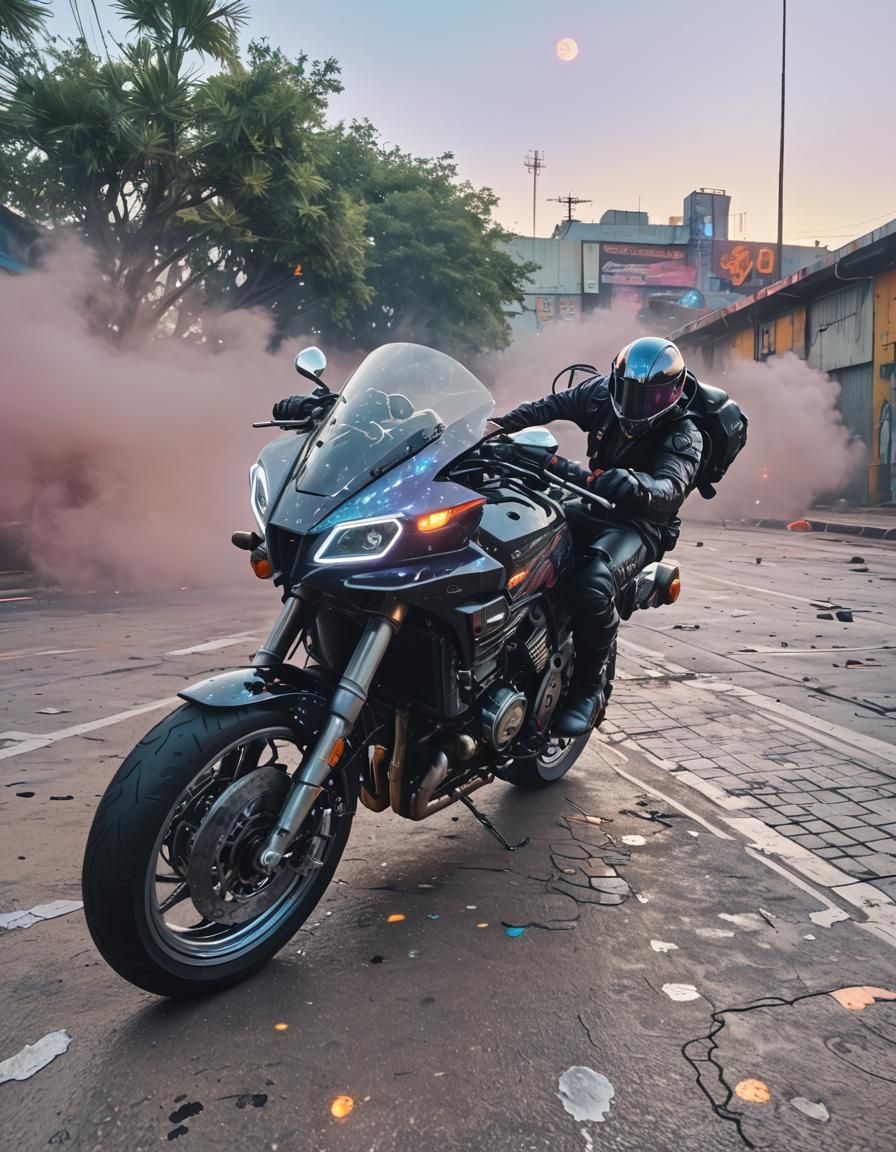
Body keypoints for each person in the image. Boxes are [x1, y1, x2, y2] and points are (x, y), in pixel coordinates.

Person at [493, 336, 705, 738]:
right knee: (518, 538)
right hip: (590, 500)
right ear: (616, 381)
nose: (640, 404)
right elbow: (545, 408)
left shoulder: (685, 434)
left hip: (640, 525)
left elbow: (671, 487)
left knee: (592, 581)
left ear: (674, 393)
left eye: (653, 396)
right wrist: (493, 429)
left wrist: (639, 485)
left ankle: (588, 690)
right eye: (632, 393)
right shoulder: (599, 395)